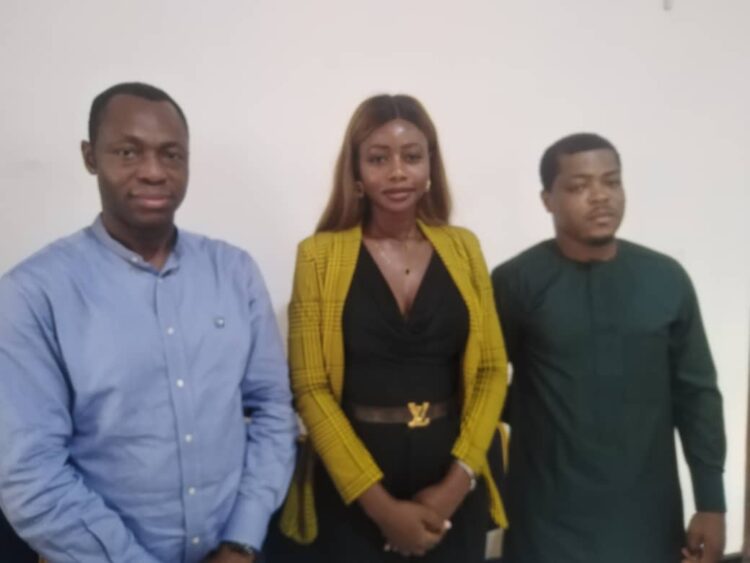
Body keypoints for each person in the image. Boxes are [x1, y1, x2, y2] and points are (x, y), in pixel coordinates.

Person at [0, 82, 297, 563]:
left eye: (172, 155)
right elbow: (29, 473)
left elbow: (272, 411)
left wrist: (242, 541)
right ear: (90, 156)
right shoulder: (33, 295)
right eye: (128, 152)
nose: (154, 172)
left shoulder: (234, 271)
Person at [276, 94, 508, 562]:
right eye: (379, 158)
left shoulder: (464, 249)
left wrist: (454, 485)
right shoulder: (318, 256)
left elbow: (489, 369)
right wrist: (381, 508)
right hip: (354, 493)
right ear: (357, 172)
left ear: (430, 166)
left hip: (451, 489)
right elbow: (310, 387)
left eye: (412, 156)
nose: (398, 171)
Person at [491, 133, 727, 563]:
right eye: (579, 187)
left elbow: (697, 396)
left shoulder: (666, 279)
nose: (600, 197)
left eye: (612, 182)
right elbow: (480, 386)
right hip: (546, 521)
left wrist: (711, 502)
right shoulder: (515, 282)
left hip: (648, 520)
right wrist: (535, 409)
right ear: (547, 199)